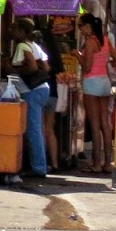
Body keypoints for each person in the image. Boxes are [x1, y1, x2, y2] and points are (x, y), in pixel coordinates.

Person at [7, 19, 51, 180]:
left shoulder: (22, 46)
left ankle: (38, 168)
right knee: (36, 129)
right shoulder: (34, 45)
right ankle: (38, 164)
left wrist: (13, 69)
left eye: (13, 29)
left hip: (32, 91)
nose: (11, 31)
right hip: (42, 89)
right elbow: (46, 67)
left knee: (33, 130)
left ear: (21, 31)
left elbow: (32, 67)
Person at [79, 14, 114, 173]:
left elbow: (87, 67)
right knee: (105, 123)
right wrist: (104, 62)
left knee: (94, 124)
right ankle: (108, 163)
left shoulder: (90, 42)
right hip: (105, 82)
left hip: (91, 83)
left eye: (80, 26)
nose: (79, 30)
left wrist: (77, 55)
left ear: (88, 26)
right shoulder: (105, 40)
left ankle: (97, 164)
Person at [36, 29, 65, 172]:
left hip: (40, 91)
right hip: (54, 93)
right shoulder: (55, 56)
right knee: (49, 129)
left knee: (40, 129)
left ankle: (42, 162)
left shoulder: (39, 54)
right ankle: (54, 163)